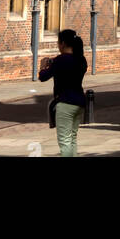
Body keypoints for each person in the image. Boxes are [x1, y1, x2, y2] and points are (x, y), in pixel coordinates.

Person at [38, 28, 88, 157]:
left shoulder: (60, 60)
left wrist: (43, 66)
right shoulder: (81, 60)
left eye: (58, 42)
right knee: (72, 138)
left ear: (63, 43)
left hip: (65, 103)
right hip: (80, 102)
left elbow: (43, 77)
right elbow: (66, 63)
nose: (58, 45)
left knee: (64, 140)